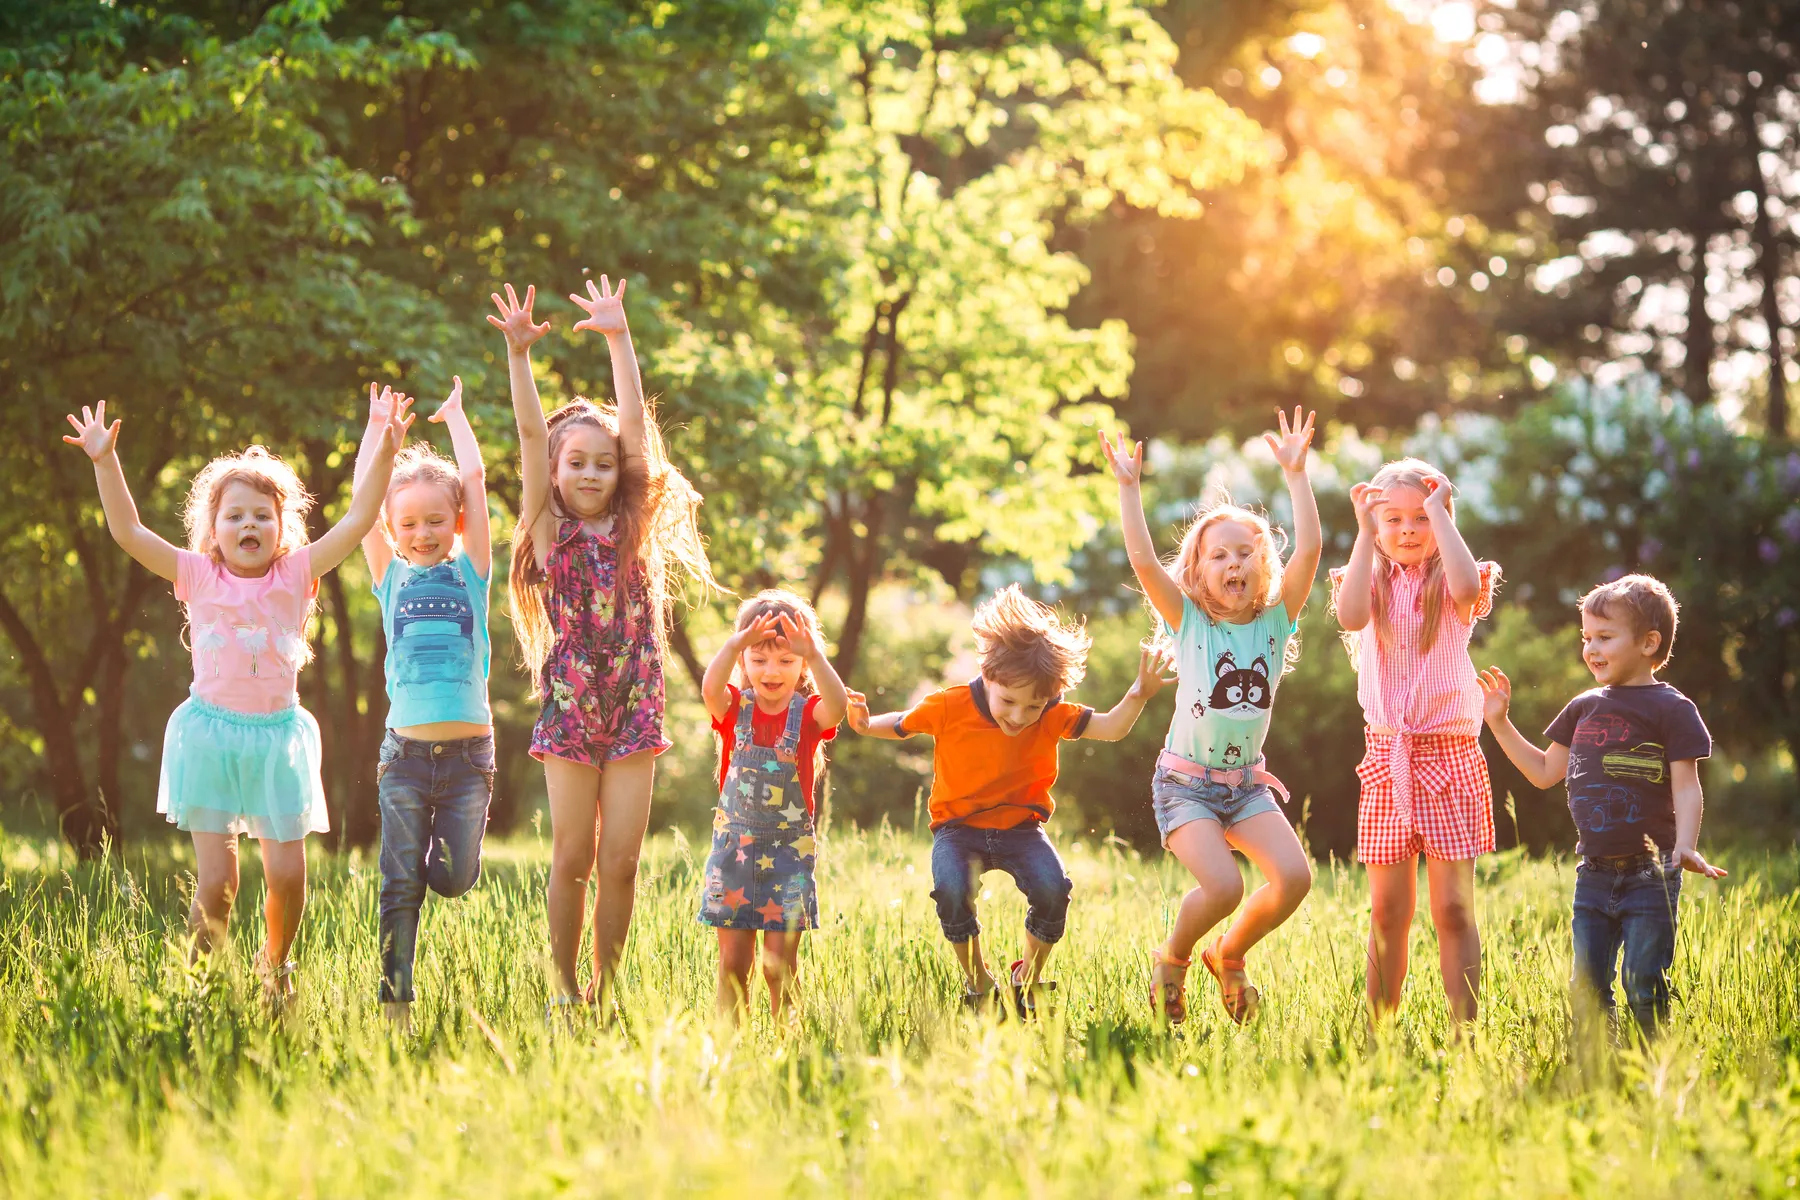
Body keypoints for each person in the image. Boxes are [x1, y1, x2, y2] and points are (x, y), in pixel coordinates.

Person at [62, 397, 404, 1008]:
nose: (249, 526)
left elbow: (356, 521)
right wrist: (105, 461)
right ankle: (195, 992)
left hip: (277, 741)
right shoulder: (197, 575)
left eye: (263, 516)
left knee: (289, 878)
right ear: (212, 530)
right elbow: (128, 532)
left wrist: (382, 448)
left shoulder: (297, 574)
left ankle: (276, 968)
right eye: (235, 515)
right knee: (219, 887)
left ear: (282, 528)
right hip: (211, 740)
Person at [492, 279, 717, 1020]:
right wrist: (520, 356)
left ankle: (606, 990)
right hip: (571, 707)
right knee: (573, 858)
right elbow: (529, 435)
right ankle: (563, 991)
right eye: (576, 462)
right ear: (556, 473)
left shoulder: (632, 526)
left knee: (621, 861)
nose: (591, 472)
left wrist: (620, 338)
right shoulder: (548, 532)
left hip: (635, 705)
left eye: (602, 462)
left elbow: (638, 441)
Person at [847, 585, 1173, 1015]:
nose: (1019, 717)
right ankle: (977, 980)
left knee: (1053, 890)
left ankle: (1028, 980)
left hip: (1022, 830)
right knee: (951, 890)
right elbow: (903, 724)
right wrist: (867, 723)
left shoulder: (1054, 712)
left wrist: (1139, 694)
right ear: (987, 674)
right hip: (958, 830)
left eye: (1033, 706)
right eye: (1009, 702)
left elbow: (1111, 728)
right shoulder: (950, 705)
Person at [1099, 408, 1320, 1024]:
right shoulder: (1191, 622)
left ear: (1262, 567)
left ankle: (1231, 954)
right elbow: (1144, 562)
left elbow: (1311, 550)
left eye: (1245, 553)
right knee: (1224, 887)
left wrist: (1297, 475)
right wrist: (1128, 488)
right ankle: (1172, 957)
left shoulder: (1277, 621)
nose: (1234, 564)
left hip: (1247, 786)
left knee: (1295, 880)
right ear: (1198, 572)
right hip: (1185, 785)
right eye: (1219, 556)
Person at [1478, 574, 1723, 1038]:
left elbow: (1687, 786)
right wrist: (1499, 722)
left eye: (1605, 637)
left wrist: (1686, 846)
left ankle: (1654, 1066)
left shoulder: (1672, 708)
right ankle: (1597, 1065)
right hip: (1592, 873)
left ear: (1649, 643)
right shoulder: (1583, 707)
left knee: (1642, 984)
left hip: (1651, 875)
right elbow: (1544, 773)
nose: (1591, 648)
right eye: (1587, 637)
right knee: (1587, 986)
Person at [1330, 457, 1502, 1026]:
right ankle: (1378, 1033)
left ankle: (1465, 1033)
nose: (1408, 530)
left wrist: (1440, 510)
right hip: (1386, 758)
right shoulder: (1368, 579)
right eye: (1394, 520)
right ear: (1378, 528)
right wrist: (1360, 530)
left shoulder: (1453, 587)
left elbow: (1467, 582)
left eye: (1421, 519)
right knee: (1387, 912)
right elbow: (1351, 617)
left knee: (1452, 909)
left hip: (1448, 759)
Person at [352, 377, 494, 1030]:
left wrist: (457, 419)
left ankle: (450, 869)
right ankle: (395, 1004)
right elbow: (361, 502)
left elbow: (476, 481)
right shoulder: (389, 575)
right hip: (404, 757)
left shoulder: (471, 571)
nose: (422, 532)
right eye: (408, 523)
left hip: (468, 760)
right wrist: (381, 435)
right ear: (392, 528)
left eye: (436, 520)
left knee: (454, 879)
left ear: (456, 522)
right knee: (400, 883)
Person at [698, 591, 848, 1025]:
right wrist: (730, 646)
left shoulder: (809, 714)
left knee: (777, 966)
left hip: (788, 858)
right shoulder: (732, 708)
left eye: (786, 660)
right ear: (744, 661)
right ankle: (731, 1048)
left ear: (801, 666)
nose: (771, 671)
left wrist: (816, 656)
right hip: (734, 855)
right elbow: (709, 688)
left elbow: (836, 707)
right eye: (758, 659)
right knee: (733, 965)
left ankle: (788, 1041)